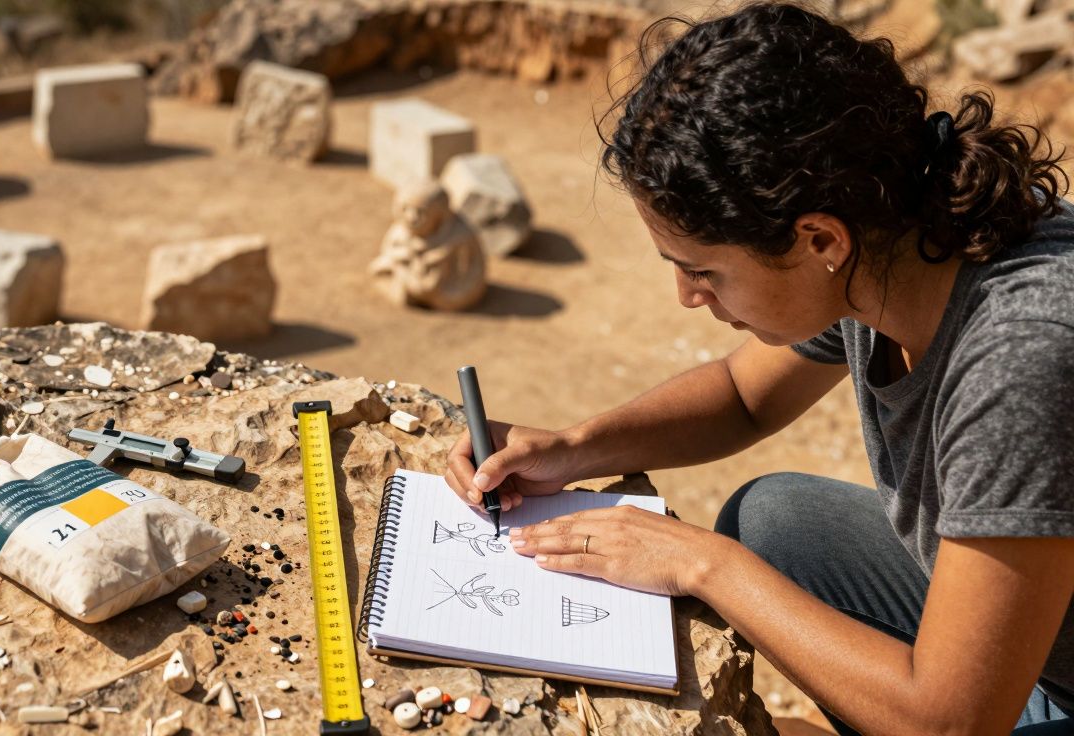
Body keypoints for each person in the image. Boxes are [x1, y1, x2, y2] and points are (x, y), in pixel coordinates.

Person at [443, 4, 1074, 734]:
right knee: (773, 520)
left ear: (817, 239)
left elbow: (951, 723)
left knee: (753, 566)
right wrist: (571, 448)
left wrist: (704, 566)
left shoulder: (1021, 354)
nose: (687, 297)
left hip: (1000, 698)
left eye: (703, 270)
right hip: (1041, 653)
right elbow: (743, 397)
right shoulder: (897, 230)